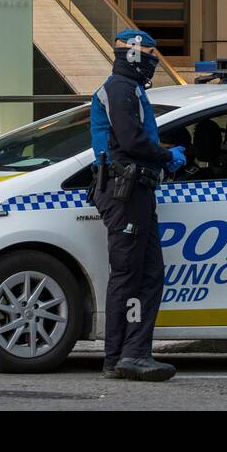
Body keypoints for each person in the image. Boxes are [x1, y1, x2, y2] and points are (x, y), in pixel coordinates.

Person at [88, 28, 186, 381]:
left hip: (132, 190)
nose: (152, 67)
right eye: (149, 59)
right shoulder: (120, 89)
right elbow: (130, 139)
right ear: (134, 55)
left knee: (144, 273)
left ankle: (124, 356)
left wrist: (159, 157)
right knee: (135, 273)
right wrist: (165, 155)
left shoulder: (128, 90)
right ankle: (129, 355)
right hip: (125, 191)